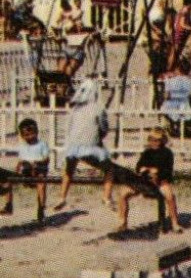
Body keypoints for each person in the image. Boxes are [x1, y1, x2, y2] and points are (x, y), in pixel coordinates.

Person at [57, 79, 113, 210]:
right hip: (90, 148)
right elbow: (104, 128)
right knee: (109, 169)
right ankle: (106, 196)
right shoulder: (98, 108)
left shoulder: (75, 109)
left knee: (69, 169)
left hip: (73, 148)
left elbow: (69, 128)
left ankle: (62, 196)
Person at [119, 128, 181, 234]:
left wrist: (157, 173)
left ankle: (175, 223)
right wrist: (145, 169)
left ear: (162, 141)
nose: (154, 142)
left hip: (160, 181)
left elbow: (168, 171)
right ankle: (123, 222)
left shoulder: (167, 153)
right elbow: (138, 167)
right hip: (145, 181)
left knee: (170, 196)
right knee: (123, 193)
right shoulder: (147, 152)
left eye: (157, 140)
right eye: (152, 140)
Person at [11, 117, 50, 222]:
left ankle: (41, 208)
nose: (29, 137)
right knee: (26, 168)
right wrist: (17, 169)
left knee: (41, 185)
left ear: (36, 132)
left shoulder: (42, 144)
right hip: (28, 168)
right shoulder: (23, 146)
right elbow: (21, 160)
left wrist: (38, 162)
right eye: (26, 135)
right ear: (22, 136)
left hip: (40, 167)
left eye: (32, 134)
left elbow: (47, 158)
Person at [160, 58, 191, 136]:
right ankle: (182, 128)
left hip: (171, 105)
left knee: (164, 109)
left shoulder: (170, 80)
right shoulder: (190, 81)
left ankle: (169, 128)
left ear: (178, 69)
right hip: (184, 105)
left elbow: (166, 96)